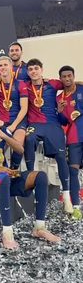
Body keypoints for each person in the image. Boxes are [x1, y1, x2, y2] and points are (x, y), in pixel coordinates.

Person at [0, 105, 60, 249]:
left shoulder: (0, 131)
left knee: (40, 176)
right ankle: (7, 234)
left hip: (6, 175)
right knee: (3, 177)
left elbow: (20, 149)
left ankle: (39, 227)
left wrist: (2, 135)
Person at [24, 58, 73, 214]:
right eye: (30, 69)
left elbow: (69, 83)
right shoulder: (24, 86)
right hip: (35, 125)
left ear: (42, 69)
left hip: (52, 124)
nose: (33, 71)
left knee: (60, 155)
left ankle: (66, 196)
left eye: (36, 68)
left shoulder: (52, 83)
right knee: (29, 138)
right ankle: (31, 180)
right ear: (28, 72)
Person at [57, 65, 83, 220]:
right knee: (73, 171)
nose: (67, 79)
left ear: (73, 76)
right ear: (60, 79)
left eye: (69, 76)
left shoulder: (81, 89)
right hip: (74, 139)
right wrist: (59, 111)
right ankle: (76, 207)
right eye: (64, 76)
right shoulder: (59, 99)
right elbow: (62, 121)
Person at [0, 56, 28, 169]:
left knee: (18, 144)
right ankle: (3, 170)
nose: (3, 67)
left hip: (18, 122)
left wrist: (13, 126)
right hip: (2, 121)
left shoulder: (20, 84)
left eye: (5, 65)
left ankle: (14, 169)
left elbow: (24, 108)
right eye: (0, 65)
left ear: (11, 67)